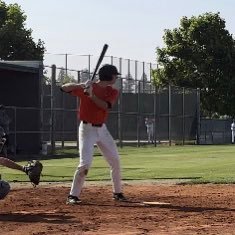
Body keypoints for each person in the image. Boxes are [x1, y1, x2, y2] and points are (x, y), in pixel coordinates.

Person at [61, 64, 126, 205]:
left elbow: (105, 106)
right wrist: (81, 85)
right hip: (87, 129)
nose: (116, 78)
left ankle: (118, 192)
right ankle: (73, 195)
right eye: (115, 75)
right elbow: (64, 88)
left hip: (102, 130)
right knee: (85, 163)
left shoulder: (112, 91)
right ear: (109, 76)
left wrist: (91, 95)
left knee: (115, 160)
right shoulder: (87, 87)